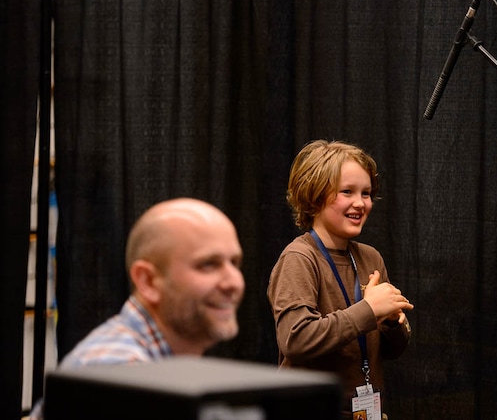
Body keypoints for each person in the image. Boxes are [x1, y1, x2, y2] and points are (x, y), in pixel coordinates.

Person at [30, 197, 245, 418]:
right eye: (209, 264)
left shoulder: (159, 369)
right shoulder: (117, 375)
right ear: (148, 281)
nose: (234, 282)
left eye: (235, 263)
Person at [267, 140, 413, 419]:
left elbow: (392, 350)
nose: (361, 203)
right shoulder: (299, 258)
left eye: (367, 193)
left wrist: (393, 323)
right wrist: (369, 310)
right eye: (347, 192)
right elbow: (296, 340)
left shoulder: (371, 259)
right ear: (315, 195)